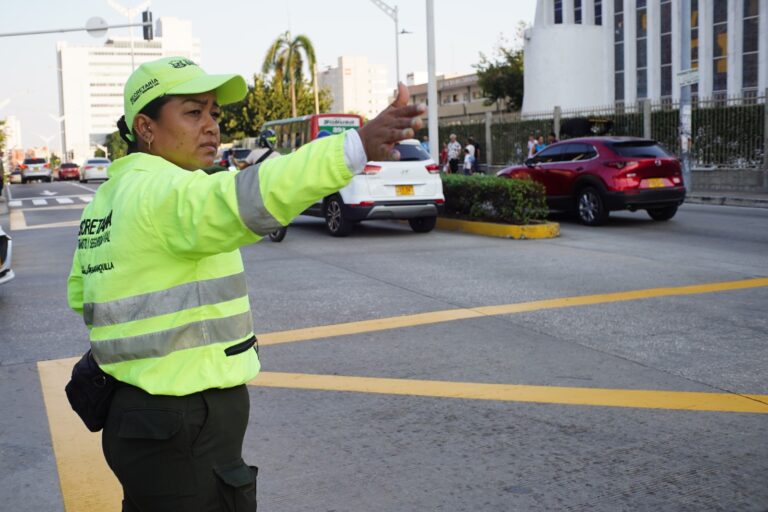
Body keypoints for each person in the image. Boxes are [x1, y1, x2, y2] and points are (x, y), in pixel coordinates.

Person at [66, 56, 425, 511]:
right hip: (182, 422)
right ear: (146, 127)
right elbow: (250, 196)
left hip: (134, 419)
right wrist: (353, 147)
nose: (212, 126)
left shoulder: (108, 199)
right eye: (193, 112)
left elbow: (83, 297)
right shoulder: (164, 191)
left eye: (214, 113)